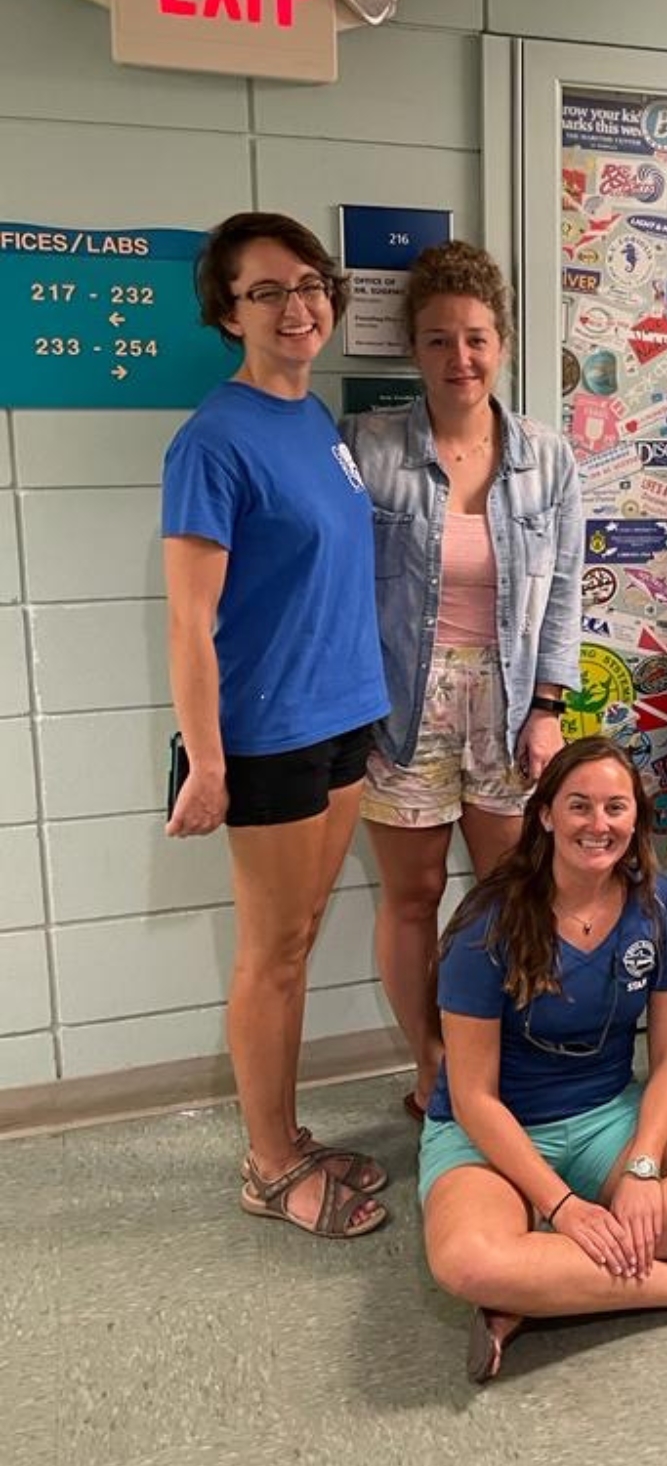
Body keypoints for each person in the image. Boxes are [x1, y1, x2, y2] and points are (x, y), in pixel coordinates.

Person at [420, 738, 667, 1384]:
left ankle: (541, 1281)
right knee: (467, 1262)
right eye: (578, 806)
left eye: (615, 807)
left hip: (609, 1118)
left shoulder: (659, 904)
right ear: (545, 815)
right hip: (492, 1137)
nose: (598, 824)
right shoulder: (486, 925)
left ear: (637, 817)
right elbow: (473, 1098)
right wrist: (564, 1207)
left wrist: (642, 1166)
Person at [162, 212, 391, 1237]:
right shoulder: (211, 440)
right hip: (267, 734)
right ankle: (265, 1164)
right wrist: (206, 762)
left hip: (344, 718)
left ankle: (289, 1137)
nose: (300, 306)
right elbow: (189, 619)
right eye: (269, 291)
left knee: (300, 936)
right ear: (227, 312)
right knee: (275, 953)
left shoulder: (315, 422)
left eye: (311, 283)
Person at [342, 241, 583, 1121]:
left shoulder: (549, 461)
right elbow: (337, 587)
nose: (460, 358)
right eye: (439, 339)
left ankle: (505, 1062)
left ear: (504, 344)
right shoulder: (368, 449)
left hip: (512, 701)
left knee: (512, 894)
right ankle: (432, 1064)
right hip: (403, 706)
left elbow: (562, 601)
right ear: (413, 348)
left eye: (477, 338)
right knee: (410, 897)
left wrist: (550, 708)